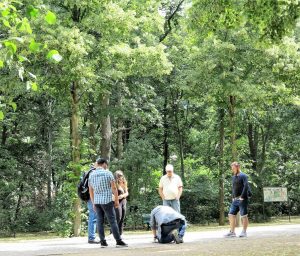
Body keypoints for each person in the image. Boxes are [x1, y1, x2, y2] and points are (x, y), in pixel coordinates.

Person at [88, 158, 128, 248]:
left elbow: (91, 190)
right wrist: (117, 200)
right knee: (112, 221)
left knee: (99, 221)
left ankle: (103, 242)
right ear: (104, 164)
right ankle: (118, 241)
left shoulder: (92, 175)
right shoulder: (108, 173)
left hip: (97, 202)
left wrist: (93, 203)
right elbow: (114, 188)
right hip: (107, 201)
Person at [224, 162, 251, 238]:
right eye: (231, 167)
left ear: (237, 167)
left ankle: (244, 232)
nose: (232, 169)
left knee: (243, 215)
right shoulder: (233, 177)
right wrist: (233, 197)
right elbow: (233, 188)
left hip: (242, 199)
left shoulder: (243, 176)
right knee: (231, 214)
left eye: (233, 167)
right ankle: (232, 232)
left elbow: (246, 186)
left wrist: (242, 197)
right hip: (235, 199)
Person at [86, 163, 99, 244]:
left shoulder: (88, 173)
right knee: (93, 217)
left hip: (89, 197)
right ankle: (91, 238)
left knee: (93, 217)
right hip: (92, 198)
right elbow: (92, 187)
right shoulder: (93, 173)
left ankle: (92, 236)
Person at [114, 170, 128, 236]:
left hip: (124, 201)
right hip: (117, 202)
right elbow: (112, 193)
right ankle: (114, 232)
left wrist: (122, 195)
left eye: (121, 176)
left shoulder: (124, 182)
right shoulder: (114, 183)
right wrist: (116, 197)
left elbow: (127, 193)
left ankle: (120, 233)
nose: (120, 178)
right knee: (118, 217)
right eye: (119, 177)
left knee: (122, 218)